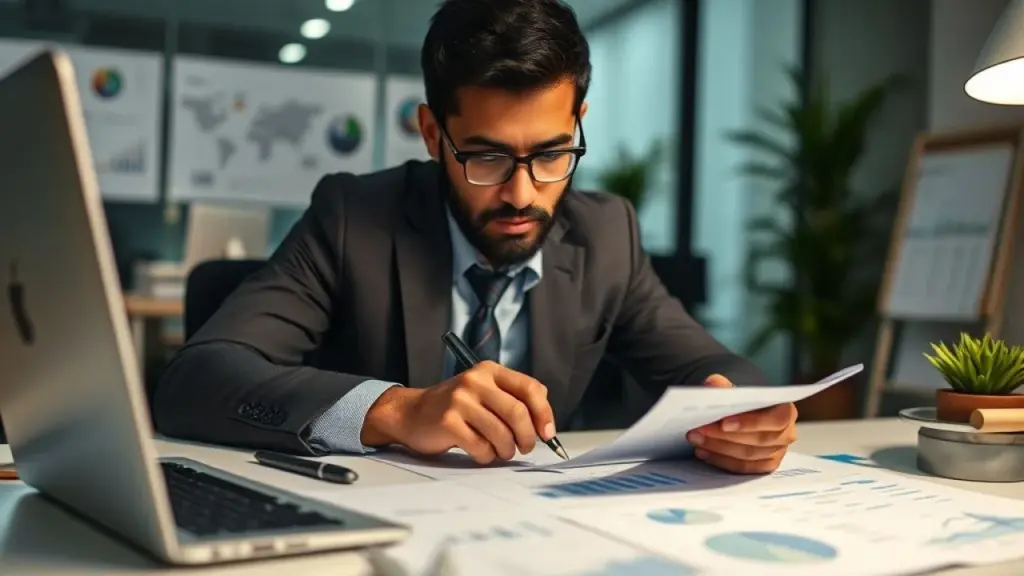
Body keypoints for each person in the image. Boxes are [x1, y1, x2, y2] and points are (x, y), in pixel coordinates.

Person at [153, 0, 798, 475]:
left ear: (579, 121)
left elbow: (711, 366)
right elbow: (196, 380)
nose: (522, 194)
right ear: (433, 134)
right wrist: (397, 411)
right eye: (486, 158)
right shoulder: (354, 217)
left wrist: (744, 413)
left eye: (552, 154)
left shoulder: (606, 234)